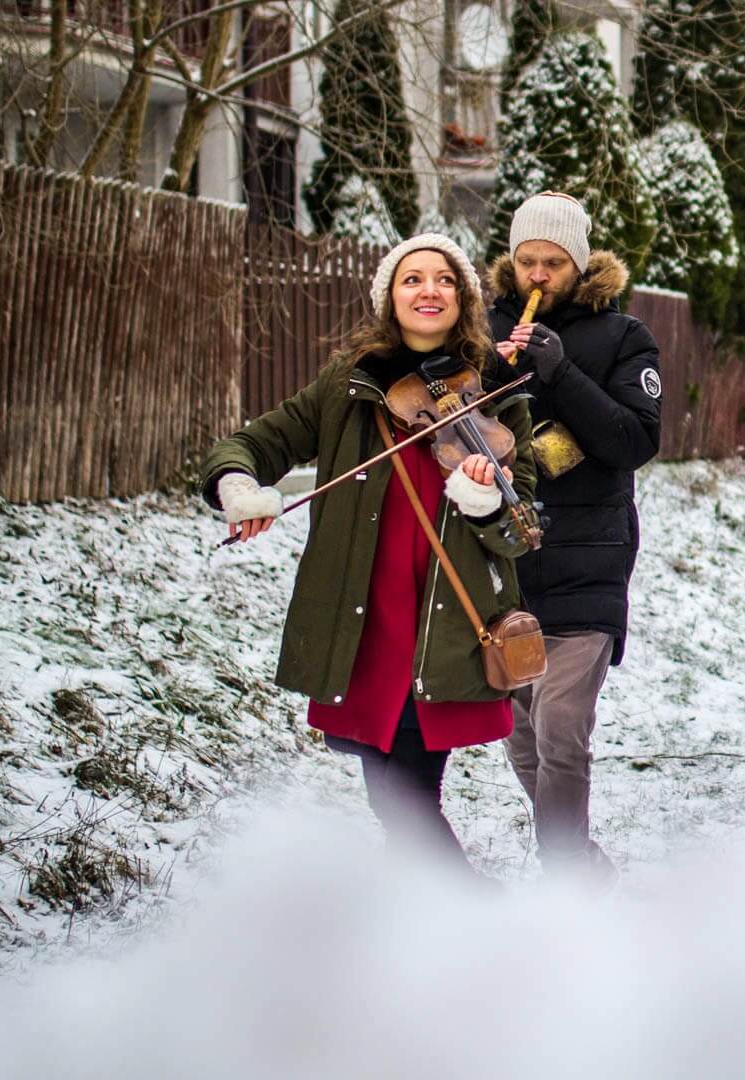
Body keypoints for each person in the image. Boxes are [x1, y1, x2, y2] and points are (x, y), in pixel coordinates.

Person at [202, 234, 535, 876]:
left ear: (463, 299)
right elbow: (259, 441)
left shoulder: (496, 394)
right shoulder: (347, 385)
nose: (428, 290)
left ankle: (471, 921)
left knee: (403, 795)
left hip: (444, 627)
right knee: (394, 795)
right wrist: (239, 483)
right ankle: (432, 929)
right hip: (362, 621)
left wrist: (486, 501)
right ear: (390, 297)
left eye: (443, 279)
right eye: (413, 279)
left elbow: (523, 532)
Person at [484, 192, 662, 882]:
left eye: (552, 262)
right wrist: (490, 380)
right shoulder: (487, 328)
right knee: (522, 739)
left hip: (591, 557)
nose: (536, 275)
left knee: (561, 729)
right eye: (526, 260)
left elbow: (635, 440)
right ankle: (582, 863)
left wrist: (562, 371)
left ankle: (564, 878)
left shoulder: (623, 337)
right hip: (507, 559)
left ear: (578, 265)